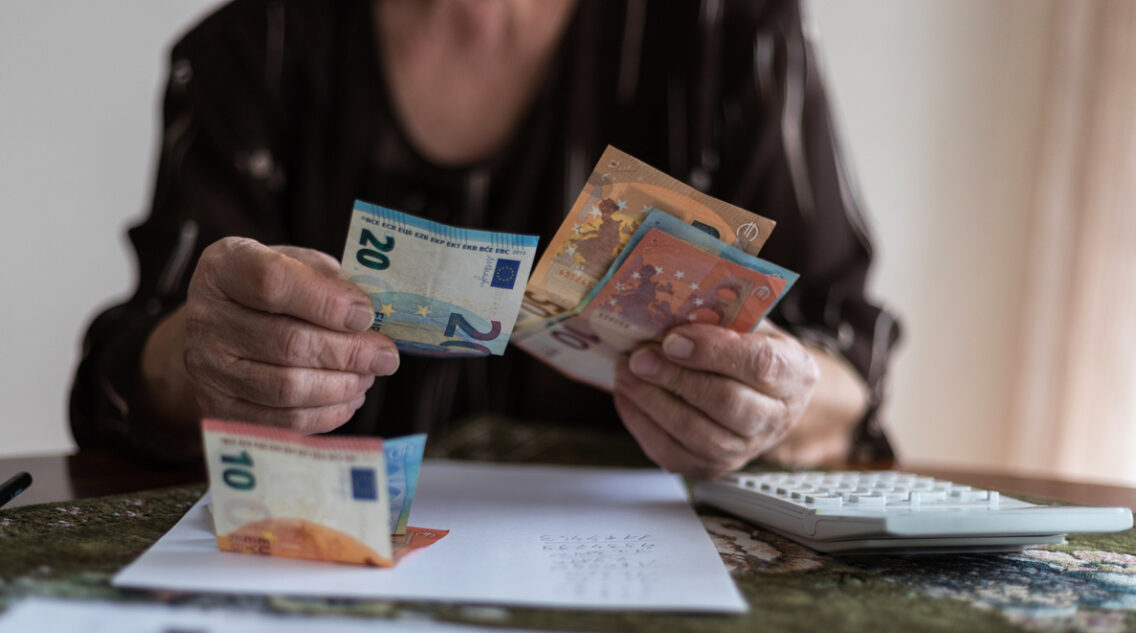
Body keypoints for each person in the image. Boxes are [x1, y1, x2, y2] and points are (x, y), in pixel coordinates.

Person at [70, 0, 901, 477]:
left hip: (637, 592)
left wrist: (776, 400)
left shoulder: (732, 36)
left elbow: (847, 358)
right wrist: (201, 356)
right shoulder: (252, 48)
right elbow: (125, 373)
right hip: (320, 593)